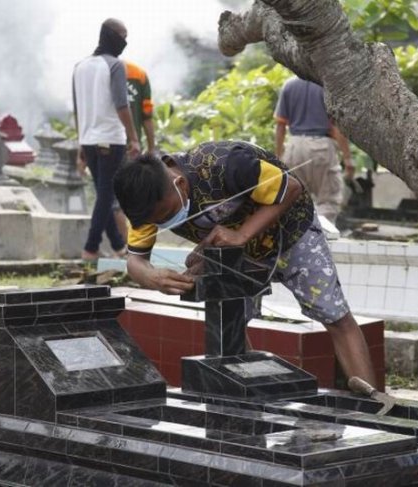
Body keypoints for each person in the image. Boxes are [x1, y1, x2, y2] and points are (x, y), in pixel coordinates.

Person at [113, 140, 377, 386]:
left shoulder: (227, 164)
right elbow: (135, 260)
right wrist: (151, 277)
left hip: (291, 231)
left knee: (334, 316)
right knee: (230, 326)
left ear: (180, 183)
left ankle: (374, 404)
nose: (163, 224)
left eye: (167, 215)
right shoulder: (147, 205)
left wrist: (241, 235)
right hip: (234, 250)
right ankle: (254, 392)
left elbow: (291, 187)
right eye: (156, 222)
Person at [73, 18, 140, 261]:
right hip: (111, 139)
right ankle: (90, 248)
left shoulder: (80, 67)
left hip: (90, 139)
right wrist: (134, 138)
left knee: (104, 195)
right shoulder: (115, 65)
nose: (125, 41)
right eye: (123, 35)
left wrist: (81, 142)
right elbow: (122, 105)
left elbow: (78, 109)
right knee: (106, 195)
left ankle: (118, 246)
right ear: (111, 36)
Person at [275, 76, 354, 223]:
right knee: (328, 201)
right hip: (321, 146)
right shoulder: (327, 86)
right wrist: (348, 158)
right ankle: (321, 240)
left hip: (294, 146)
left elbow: (280, 126)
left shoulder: (289, 85)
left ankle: (300, 241)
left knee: (295, 202)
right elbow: (336, 127)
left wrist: (278, 157)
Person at [111, 60, 156, 242]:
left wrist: (151, 147)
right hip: (129, 146)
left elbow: (147, 115)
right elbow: (147, 116)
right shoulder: (139, 73)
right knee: (128, 194)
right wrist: (150, 146)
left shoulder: (136, 74)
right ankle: (130, 243)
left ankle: (128, 243)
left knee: (117, 194)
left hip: (116, 144)